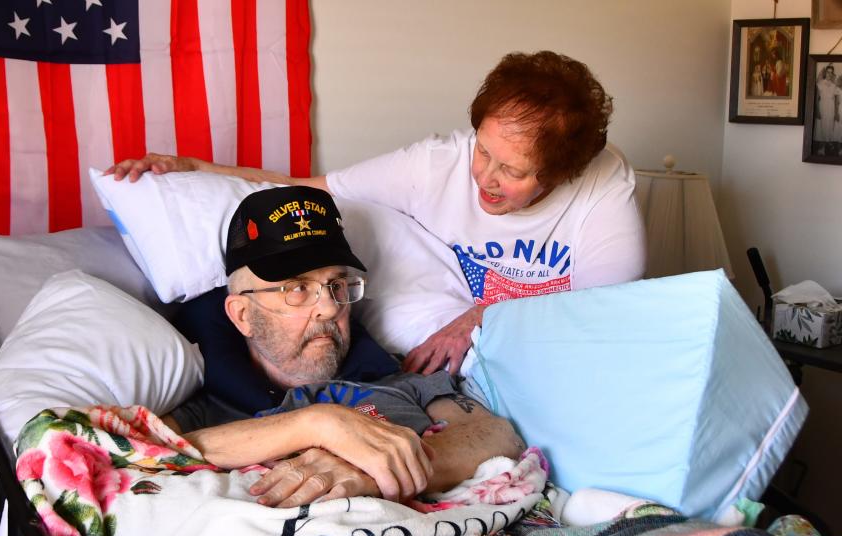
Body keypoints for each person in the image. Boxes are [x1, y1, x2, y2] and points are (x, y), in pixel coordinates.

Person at [107, 51, 645, 377]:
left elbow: (605, 311)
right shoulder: (435, 165)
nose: (485, 176)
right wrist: (189, 166)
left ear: (561, 174)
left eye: (514, 171)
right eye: (483, 150)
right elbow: (311, 188)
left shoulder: (602, 181)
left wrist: (479, 317)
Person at [165, 185, 523, 509]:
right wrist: (318, 424)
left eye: (338, 285)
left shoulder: (402, 377)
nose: (330, 307)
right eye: (297, 288)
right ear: (242, 315)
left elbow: (497, 434)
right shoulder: (206, 405)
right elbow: (143, 452)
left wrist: (374, 474)